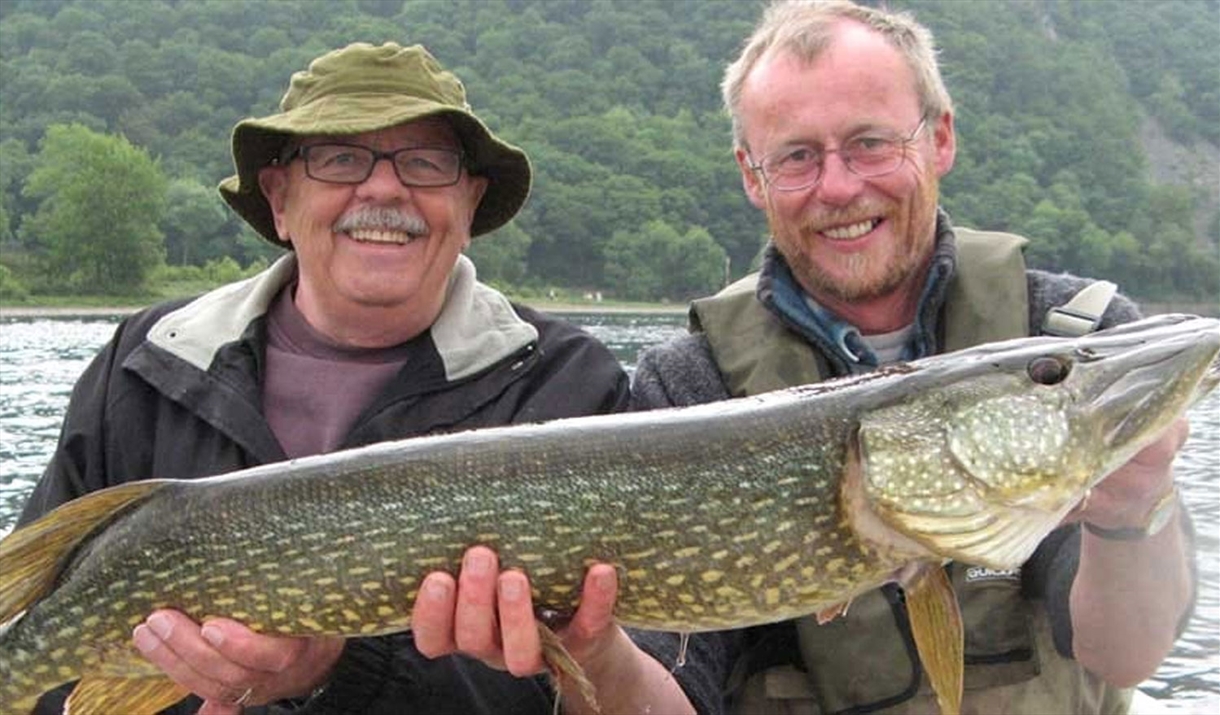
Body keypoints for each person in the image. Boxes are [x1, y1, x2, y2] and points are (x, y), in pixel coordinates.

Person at [16, 42, 694, 715]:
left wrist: (337, 669)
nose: (383, 187)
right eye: (339, 158)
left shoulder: (566, 384)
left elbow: (625, 685)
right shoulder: (145, 363)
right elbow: (47, 660)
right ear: (279, 198)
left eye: (426, 162)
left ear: (468, 206)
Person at [630, 2, 1196, 713]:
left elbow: (1124, 653)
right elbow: (670, 685)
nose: (838, 187)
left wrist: (1131, 509)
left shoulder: (1066, 334)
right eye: (798, 156)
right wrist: (586, 647)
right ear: (752, 175)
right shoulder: (692, 382)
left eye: (870, 143)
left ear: (941, 139)